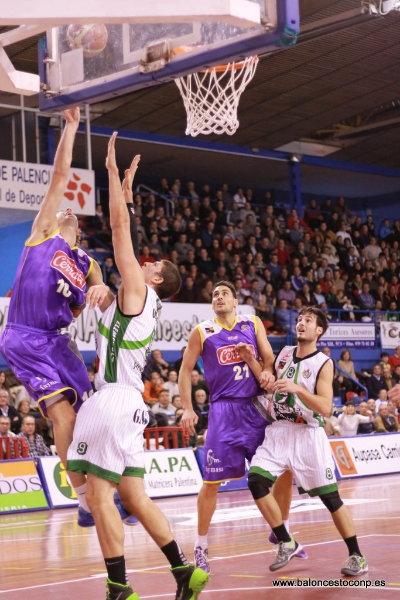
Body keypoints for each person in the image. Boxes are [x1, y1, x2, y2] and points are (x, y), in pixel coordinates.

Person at [67, 134, 208, 600]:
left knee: (97, 496)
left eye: (154, 263)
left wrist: (110, 175)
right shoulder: (142, 299)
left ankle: (118, 586)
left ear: (155, 279)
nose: (145, 261)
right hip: (129, 406)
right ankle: (184, 572)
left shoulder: (139, 291)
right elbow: (124, 255)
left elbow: (122, 234)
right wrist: (128, 195)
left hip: (110, 402)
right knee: (134, 497)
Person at [0, 108, 110, 522]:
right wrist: (70, 127)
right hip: (25, 336)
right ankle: (83, 501)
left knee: (90, 413)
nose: (67, 211)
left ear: (79, 230)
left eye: (74, 216)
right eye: (64, 211)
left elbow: (106, 295)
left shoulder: (86, 262)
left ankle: (110, 485)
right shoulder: (40, 235)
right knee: (61, 413)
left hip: (60, 341)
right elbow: (60, 177)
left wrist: (102, 286)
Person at [179, 279, 300, 574]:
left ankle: (281, 528)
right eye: (214, 294)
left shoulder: (252, 322)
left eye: (224, 294)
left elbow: (269, 359)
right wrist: (187, 408)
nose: (218, 297)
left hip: (256, 408)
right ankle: (201, 546)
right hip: (223, 412)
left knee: (283, 471)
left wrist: (269, 373)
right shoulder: (202, 332)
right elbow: (185, 369)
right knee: (210, 484)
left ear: (236, 302)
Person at [237, 306, 368, 576]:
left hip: (308, 434)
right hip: (280, 430)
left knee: (331, 499)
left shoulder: (324, 363)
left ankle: (356, 555)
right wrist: (252, 361)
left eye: (308, 320)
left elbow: (326, 408)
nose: (301, 323)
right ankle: (286, 540)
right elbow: (269, 383)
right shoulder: (284, 354)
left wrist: (297, 388)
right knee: (256, 481)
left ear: (319, 330)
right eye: (298, 319)